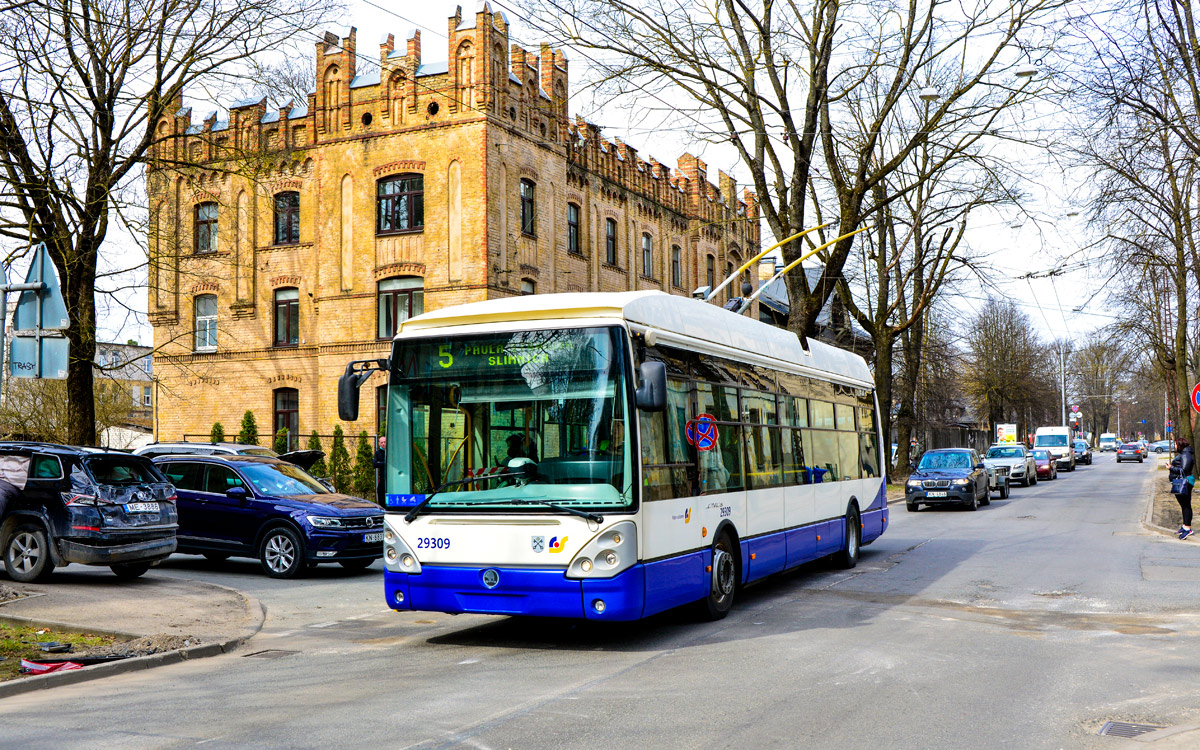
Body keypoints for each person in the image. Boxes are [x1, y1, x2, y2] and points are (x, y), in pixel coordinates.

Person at [1169, 438, 1196, 540]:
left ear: (1180, 445)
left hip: (1185, 482)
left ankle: (1188, 528)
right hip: (1182, 481)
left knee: (1186, 505)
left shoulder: (1186, 455)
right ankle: (1185, 526)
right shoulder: (1184, 454)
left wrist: (1171, 468)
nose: (1175, 446)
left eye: (1175, 444)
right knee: (1184, 505)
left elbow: (1184, 470)